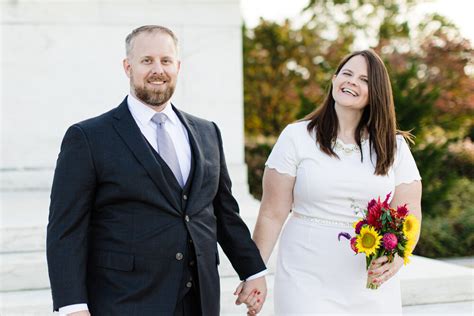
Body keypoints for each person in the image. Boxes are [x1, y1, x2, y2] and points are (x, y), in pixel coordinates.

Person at [46, 25, 267, 316]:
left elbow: (224, 212)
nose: (157, 69)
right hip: (125, 299)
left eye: (165, 60)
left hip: (200, 299)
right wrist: (72, 305)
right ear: (128, 67)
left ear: (178, 66)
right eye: (146, 60)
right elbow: (66, 229)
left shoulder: (207, 132)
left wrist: (253, 271)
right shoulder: (88, 137)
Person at [252, 49, 422, 314]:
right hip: (304, 276)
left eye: (364, 79)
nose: (352, 81)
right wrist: (254, 271)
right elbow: (272, 213)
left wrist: (399, 256)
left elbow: (409, 212)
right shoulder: (297, 137)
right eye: (347, 73)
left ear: (376, 92)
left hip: (369, 282)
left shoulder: (395, 146)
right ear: (334, 80)